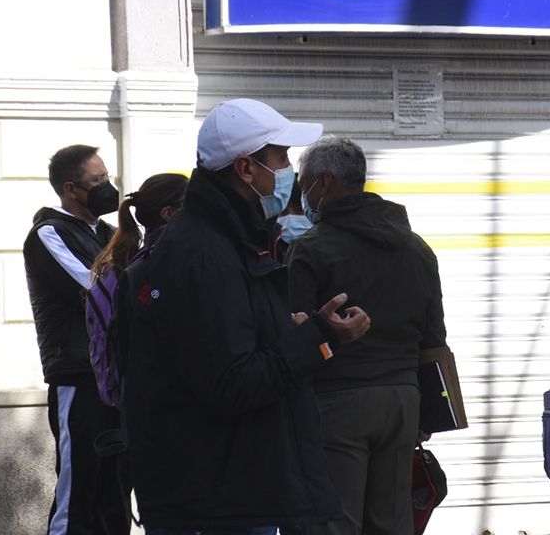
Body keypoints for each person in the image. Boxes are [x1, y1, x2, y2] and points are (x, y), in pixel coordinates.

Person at [123, 98, 371, 534]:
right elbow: (231, 383)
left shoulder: (228, 238)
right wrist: (316, 336)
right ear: (245, 169)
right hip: (211, 498)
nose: (289, 171)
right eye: (280, 157)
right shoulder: (205, 255)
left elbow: (227, 349)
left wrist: (290, 334)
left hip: (229, 487)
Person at [286, 135, 447, 535]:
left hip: (335, 404)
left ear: (323, 184)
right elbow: (434, 337)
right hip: (402, 402)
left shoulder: (310, 249)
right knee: (392, 523)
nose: (300, 194)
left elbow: (293, 337)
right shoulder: (417, 249)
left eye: (303, 183)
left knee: (333, 522)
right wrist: (426, 411)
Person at [22, 144, 128, 535]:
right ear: (71, 188)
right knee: (78, 489)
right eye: (98, 181)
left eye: (107, 177)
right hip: (79, 376)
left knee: (115, 490)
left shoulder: (110, 233)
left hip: (117, 378)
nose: (108, 187)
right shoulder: (49, 233)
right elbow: (97, 292)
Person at [86, 173, 188, 406]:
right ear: (169, 214)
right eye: (192, 204)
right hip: (162, 405)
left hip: (137, 401)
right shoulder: (157, 267)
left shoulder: (124, 266)